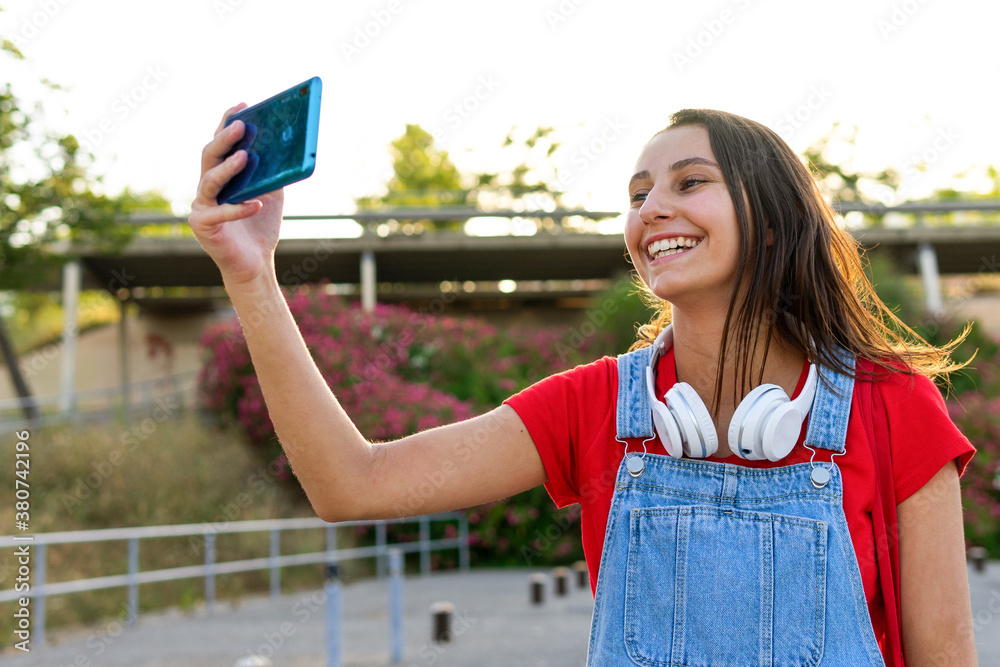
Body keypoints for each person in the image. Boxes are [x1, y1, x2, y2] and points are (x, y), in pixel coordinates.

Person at [190, 106, 978, 665]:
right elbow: (352, 483)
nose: (651, 209)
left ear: (771, 221)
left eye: (688, 181)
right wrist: (251, 272)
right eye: (638, 195)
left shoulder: (894, 405)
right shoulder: (590, 406)